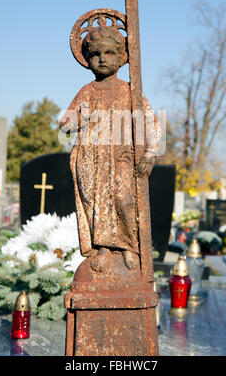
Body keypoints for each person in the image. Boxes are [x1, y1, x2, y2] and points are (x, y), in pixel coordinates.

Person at [60, 25, 161, 272]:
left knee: (123, 198)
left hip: (121, 157)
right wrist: (79, 119)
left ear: (121, 56)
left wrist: (150, 153)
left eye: (108, 53)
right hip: (90, 158)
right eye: (95, 54)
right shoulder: (87, 91)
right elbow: (64, 124)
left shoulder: (129, 90)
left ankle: (129, 246)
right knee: (94, 203)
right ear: (88, 59)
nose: (102, 59)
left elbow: (151, 122)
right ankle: (103, 248)